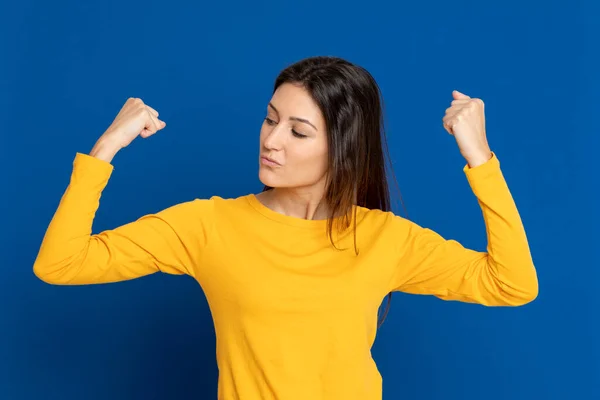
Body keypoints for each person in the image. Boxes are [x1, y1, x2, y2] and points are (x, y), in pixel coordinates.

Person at [33, 56, 538, 400]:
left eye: (298, 131)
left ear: (342, 147)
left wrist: (480, 158)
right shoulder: (209, 225)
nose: (272, 141)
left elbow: (511, 284)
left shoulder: (386, 238)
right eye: (270, 119)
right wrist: (105, 151)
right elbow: (60, 263)